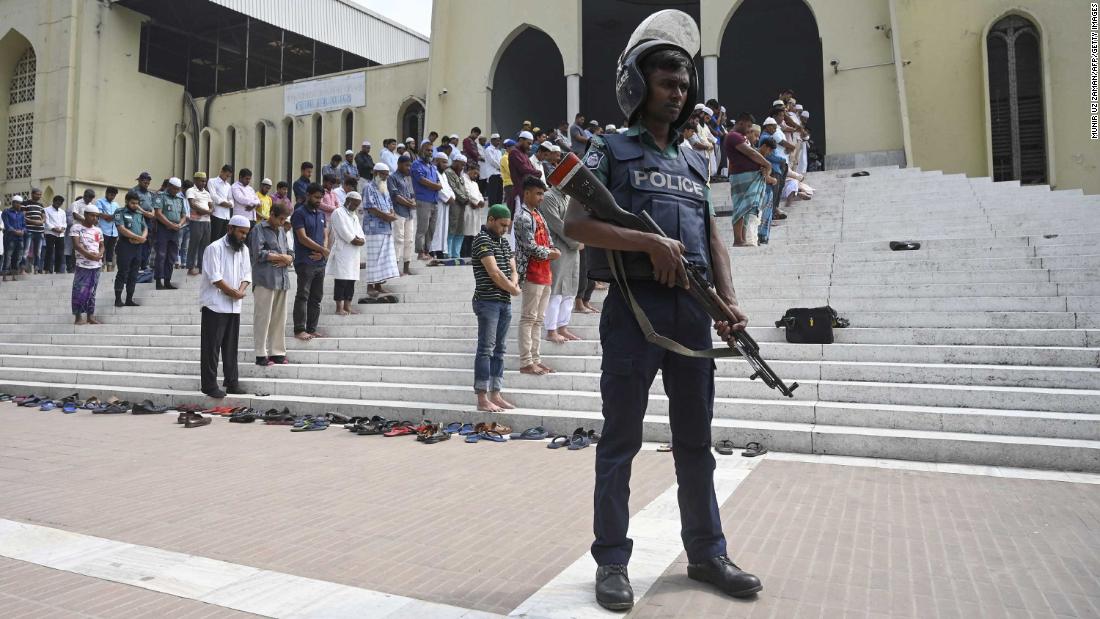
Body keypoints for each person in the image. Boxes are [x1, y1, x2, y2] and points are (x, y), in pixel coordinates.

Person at [562, 14, 762, 609]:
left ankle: (707, 554)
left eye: (683, 85)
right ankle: (612, 563)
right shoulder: (610, 150)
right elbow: (574, 223)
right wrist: (648, 243)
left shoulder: (696, 162)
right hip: (634, 312)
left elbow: (714, 239)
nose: (676, 94)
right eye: (666, 83)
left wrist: (729, 303)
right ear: (639, 86)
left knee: (696, 442)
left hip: (691, 314)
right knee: (619, 443)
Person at [471, 204, 520, 413]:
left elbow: (512, 268)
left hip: (504, 301)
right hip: (487, 301)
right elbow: (494, 273)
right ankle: (482, 397)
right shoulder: (482, 239)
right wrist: (514, 289)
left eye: (507, 226)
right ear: (490, 220)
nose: (504, 230)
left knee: (500, 350)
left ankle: (496, 394)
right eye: (502, 225)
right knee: (486, 349)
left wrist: (514, 284)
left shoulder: (503, 241)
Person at [199, 215, 252, 399]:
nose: (243, 236)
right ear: (230, 229)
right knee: (211, 348)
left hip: (233, 306)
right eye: (241, 232)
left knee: (231, 347)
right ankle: (209, 385)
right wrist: (234, 293)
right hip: (215, 305)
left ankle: (231, 382)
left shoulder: (243, 249)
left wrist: (241, 289)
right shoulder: (214, 248)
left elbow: (247, 274)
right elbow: (216, 279)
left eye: (246, 233)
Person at [513, 176, 560, 376]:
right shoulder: (522, 216)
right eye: (538, 193)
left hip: (545, 272)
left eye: (542, 193)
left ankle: (536, 359)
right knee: (528, 318)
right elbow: (529, 247)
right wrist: (551, 253)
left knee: (539, 319)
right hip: (532, 272)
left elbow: (548, 240)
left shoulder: (538, 214)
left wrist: (552, 250)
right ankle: (526, 361)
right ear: (527, 194)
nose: (541, 197)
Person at [249, 202, 293, 366]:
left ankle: (277, 352)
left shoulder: (282, 230)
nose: (283, 222)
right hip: (264, 279)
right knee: (262, 318)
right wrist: (281, 257)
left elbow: (289, 251)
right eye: (281, 218)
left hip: (282, 279)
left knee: (280, 318)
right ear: (272, 214)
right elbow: (258, 254)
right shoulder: (259, 229)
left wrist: (288, 259)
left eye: (285, 219)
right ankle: (261, 354)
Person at [540, 174, 582, 344]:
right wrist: (576, 242)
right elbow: (557, 224)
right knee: (556, 289)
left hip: (573, 248)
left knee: (571, 287)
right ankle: (551, 330)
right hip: (558, 247)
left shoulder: (569, 197)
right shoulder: (549, 197)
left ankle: (563, 326)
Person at [726, 114, 777, 245]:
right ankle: (738, 239)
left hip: (749, 177)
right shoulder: (733, 136)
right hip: (740, 177)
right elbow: (751, 153)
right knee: (739, 208)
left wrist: (764, 166)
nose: (749, 129)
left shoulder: (742, 137)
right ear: (741, 123)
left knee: (747, 208)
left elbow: (753, 152)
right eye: (748, 126)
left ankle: (742, 239)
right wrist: (767, 164)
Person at [291, 183, 329, 340]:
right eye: (316, 197)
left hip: (320, 263)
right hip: (305, 262)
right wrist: (322, 250)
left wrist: (323, 252)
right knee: (303, 295)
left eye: (321, 197)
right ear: (307, 195)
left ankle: (312, 328)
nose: (319, 200)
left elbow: (326, 234)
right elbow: (302, 238)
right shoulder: (299, 213)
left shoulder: (321, 215)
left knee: (316, 297)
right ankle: (300, 329)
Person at [362, 163, 400, 298]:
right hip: (373, 229)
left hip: (386, 228)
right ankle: (370, 286)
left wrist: (391, 214)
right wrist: (387, 217)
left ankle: (379, 285)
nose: (386, 176)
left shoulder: (384, 187)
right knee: (374, 258)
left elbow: (389, 204)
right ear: (376, 173)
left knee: (383, 259)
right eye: (383, 173)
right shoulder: (368, 187)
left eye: (387, 174)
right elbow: (370, 207)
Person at [329, 189, 365, 316]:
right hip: (342, 251)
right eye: (354, 204)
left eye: (357, 205)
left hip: (354, 253)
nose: (356, 207)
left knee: (351, 280)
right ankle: (339, 307)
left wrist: (360, 240)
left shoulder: (354, 215)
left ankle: (348, 306)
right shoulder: (338, 212)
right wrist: (355, 240)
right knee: (341, 280)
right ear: (348, 201)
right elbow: (345, 233)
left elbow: (361, 234)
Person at [70, 205, 104, 325]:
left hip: (96, 265)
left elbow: (102, 245)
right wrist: (90, 255)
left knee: (92, 291)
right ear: (85, 215)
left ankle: (90, 316)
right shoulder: (76, 227)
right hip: (83, 265)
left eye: (97, 216)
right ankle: (78, 317)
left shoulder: (98, 230)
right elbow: (76, 245)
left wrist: (99, 254)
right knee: (79, 290)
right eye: (92, 215)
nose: (95, 218)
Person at [113, 191, 147, 307]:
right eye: (132, 203)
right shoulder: (120, 212)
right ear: (126, 201)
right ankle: (118, 299)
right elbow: (121, 228)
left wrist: (142, 238)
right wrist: (136, 237)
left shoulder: (139, 213)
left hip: (137, 247)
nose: (135, 206)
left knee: (134, 274)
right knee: (122, 272)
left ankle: (129, 299)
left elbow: (145, 228)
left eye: (137, 203)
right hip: (125, 246)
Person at [151, 177, 186, 290]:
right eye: (174, 188)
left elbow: (184, 215)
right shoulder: (160, 196)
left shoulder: (180, 200)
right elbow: (158, 213)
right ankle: (158, 281)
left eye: (178, 189)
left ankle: (167, 280)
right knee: (161, 255)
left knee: (172, 256)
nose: (176, 191)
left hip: (175, 230)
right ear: (169, 186)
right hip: (163, 229)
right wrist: (170, 224)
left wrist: (179, 224)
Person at [387, 154, 417, 275]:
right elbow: (395, 196)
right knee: (399, 239)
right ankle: (395, 267)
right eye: (406, 165)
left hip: (409, 214)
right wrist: (409, 204)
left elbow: (411, 195)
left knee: (409, 240)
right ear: (399, 164)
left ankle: (406, 267)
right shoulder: (392, 177)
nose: (408, 168)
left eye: (410, 165)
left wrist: (412, 202)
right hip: (399, 212)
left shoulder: (407, 178)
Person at [186, 172, 213, 275]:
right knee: (194, 244)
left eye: (205, 181)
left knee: (205, 246)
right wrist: (207, 211)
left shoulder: (207, 193)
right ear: (195, 180)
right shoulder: (191, 190)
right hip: (196, 221)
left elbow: (211, 205)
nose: (204, 183)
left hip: (207, 221)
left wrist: (209, 210)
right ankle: (190, 266)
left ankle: (202, 267)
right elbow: (192, 204)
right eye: (202, 181)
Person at [445, 154, 471, 259]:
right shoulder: (449, 172)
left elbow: (464, 188)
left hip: (462, 204)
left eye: (464, 165)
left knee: (460, 229)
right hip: (455, 203)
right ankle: (449, 254)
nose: (462, 167)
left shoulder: (460, 174)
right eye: (461, 164)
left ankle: (457, 254)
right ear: (455, 162)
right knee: (452, 227)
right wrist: (465, 199)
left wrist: (467, 197)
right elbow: (453, 188)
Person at [507, 131, 539, 211]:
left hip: (527, 190)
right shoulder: (514, 152)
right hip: (519, 190)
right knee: (519, 218)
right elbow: (524, 169)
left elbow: (532, 168)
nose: (530, 147)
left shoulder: (524, 153)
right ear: (521, 140)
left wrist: (536, 172)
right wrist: (538, 173)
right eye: (528, 143)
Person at [460, 162, 487, 258]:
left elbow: (479, 194)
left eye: (477, 174)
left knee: (474, 233)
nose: (476, 176)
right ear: (469, 170)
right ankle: (464, 254)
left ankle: (470, 254)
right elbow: (467, 192)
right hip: (468, 208)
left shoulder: (475, 183)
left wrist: (482, 201)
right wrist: (476, 202)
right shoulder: (463, 179)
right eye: (475, 173)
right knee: (466, 233)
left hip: (476, 210)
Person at [432, 152, 456, 257]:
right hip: (438, 203)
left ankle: (441, 250)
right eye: (444, 162)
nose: (446, 165)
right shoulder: (434, 172)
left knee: (444, 228)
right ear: (437, 161)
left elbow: (448, 188)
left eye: (447, 163)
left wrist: (452, 197)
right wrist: (447, 198)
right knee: (436, 227)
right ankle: (433, 250)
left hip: (446, 204)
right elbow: (438, 189)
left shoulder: (444, 174)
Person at [131, 172, 157, 267]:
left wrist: (152, 213)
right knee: (138, 241)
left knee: (148, 242)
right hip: (138, 219)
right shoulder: (133, 191)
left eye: (148, 183)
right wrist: (145, 213)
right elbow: (133, 205)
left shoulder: (150, 194)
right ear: (140, 181)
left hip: (149, 220)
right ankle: (136, 265)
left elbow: (153, 205)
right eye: (144, 183)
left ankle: (144, 264)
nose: (146, 185)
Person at [94, 187, 119, 272]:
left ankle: (109, 270)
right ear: (106, 193)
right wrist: (111, 216)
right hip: (103, 230)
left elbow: (118, 216)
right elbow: (100, 214)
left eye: (114, 195)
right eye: (111, 194)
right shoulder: (100, 201)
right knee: (101, 249)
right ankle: (100, 268)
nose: (112, 197)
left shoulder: (116, 204)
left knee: (111, 250)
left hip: (114, 231)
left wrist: (109, 217)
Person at [2, 195, 26, 281]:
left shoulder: (21, 214)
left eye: (20, 203)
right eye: (18, 203)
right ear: (13, 203)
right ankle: (4, 275)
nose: (19, 205)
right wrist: (15, 231)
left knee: (17, 257)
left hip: (19, 238)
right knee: (8, 256)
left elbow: (24, 225)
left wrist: (23, 231)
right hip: (10, 238)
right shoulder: (6, 212)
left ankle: (14, 275)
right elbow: (7, 225)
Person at [208, 164, 234, 241]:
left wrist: (230, 204)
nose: (227, 178)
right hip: (217, 214)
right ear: (221, 171)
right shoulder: (212, 181)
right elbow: (213, 196)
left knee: (223, 239)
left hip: (226, 215)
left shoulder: (228, 186)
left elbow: (231, 198)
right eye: (226, 175)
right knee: (214, 237)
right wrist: (224, 203)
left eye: (229, 177)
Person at [22, 189, 45, 274]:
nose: (39, 196)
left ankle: (36, 268)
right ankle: (23, 269)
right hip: (29, 230)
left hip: (39, 231)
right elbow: (22, 216)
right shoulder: (25, 203)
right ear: (32, 194)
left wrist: (41, 222)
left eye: (40, 195)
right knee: (26, 250)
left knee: (38, 252)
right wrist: (33, 222)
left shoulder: (41, 205)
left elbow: (44, 217)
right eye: (37, 194)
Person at [43, 195, 67, 274]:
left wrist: (62, 229)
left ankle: (58, 270)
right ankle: (47, 269)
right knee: (49, 251)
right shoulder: (46, 210)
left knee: (60, 252)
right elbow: (47, 222)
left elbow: (64, 223)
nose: (58, 204)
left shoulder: (62, 212)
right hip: (50, 233)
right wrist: (54, 229)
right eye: (57, 202)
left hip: (60, 234)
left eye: (60, 203)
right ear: (53, 201)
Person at [484, 134, 504, 205]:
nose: (498, 142)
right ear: (492, 140)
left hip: (500, 174)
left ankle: (498, 211)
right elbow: (492, 161)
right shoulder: (488, 149)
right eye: (497, 140)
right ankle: (493, 212)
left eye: (499, 141)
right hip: (492, 174)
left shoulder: (499, 151)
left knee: (499, 194)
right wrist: (501, 168)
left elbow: (501, 161)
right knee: (493, 195)